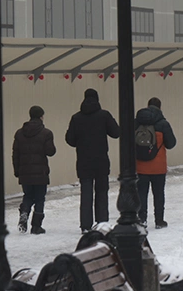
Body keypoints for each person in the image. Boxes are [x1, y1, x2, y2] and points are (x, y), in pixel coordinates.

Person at [65, 88, 121, 233]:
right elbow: (116, 133)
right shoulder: (104, 115)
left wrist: (81, 142)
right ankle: (102, 222)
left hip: (83, 161)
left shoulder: (76, 118)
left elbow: (70, 139)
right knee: (102, 192)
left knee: (86, 194)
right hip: (101, 160)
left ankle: (85, 225)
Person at [12, 105, 55, 235]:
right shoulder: (46, 133)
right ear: (41, 116)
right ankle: (36, 226)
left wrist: (17, 170)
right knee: (40, 198)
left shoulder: (19, 133)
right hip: (41, 172)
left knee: (28, 196)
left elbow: (15, 154)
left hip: (25, 172)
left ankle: (24, 212)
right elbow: (50, 151)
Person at [135, 97, 177, 229]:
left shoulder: (137, 123)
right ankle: (159, 221)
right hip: (158, 167)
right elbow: (171, 144)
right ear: (160, 107)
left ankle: (142, 219)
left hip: (140, 166)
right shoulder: (163, 124)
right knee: (158, 194)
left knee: (141, 193)